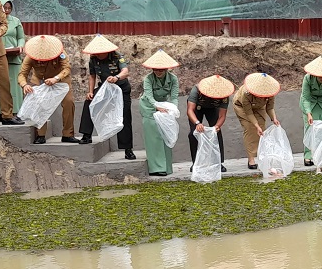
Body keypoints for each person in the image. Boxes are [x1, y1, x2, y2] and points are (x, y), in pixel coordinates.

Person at [80, 34, 134, 159]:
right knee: (89, 102)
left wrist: (116, 78)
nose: (98, 54)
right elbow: (92, 75)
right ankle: (86, 135)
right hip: (105, 88)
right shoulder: (93, 59)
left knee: (124, 116)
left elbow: (125, 72)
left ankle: (127, 149)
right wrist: (90, 91)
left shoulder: (117, 56)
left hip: (121, 89)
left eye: (100, 52)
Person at [17, 35, 76, 144]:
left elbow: (66, 68)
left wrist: (55, 78)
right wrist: (25, 85)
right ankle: (41, 135)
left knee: (69, 102)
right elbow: (22, 74)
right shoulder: (30, 56)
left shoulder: (60, 53)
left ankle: (68, 134)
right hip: (39, 81)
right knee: (39, 104)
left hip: (60, 81)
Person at [139, 49, 180, 177]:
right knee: (154, 136)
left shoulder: (173, 79)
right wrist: (156, 107)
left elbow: (174, 97)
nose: (158, 72)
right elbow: (149, 96)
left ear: (167, 69)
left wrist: (174, 109)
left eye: (161, 70)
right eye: (155, 69)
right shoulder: (148, 79)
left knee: (165, 133)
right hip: (149, 107)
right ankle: (156, 167)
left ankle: (167, 167)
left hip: (164, 106)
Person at [233, 72, 281, 171]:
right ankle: (251, 159)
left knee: (262, 129)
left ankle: (262, 156)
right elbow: (249, 113)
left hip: (259, 107)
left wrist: (274, 118)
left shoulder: (270, 92)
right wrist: (256, 125)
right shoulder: (246, 93)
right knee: (249, 128)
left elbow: (270, 108)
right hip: (242, 107)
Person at [187, 75, 234, 174]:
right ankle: (196, 162)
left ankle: (218, 162)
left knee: (216, 133)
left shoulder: (224, 96)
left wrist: (217, 126)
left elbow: (222, 115)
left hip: (213, 108)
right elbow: (190, 110)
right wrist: (197, 123)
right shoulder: (196, 89)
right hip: (197, 107)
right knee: (193, 134)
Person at [0, 0, 26, 112]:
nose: (7, 10)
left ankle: (16, 110)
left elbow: (21, 37)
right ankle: (3, 111)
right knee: (1, 85)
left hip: (13, 57)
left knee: (15, 85)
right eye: (4, 8)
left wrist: (20, 46)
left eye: (9, 8)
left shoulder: (15, 21)